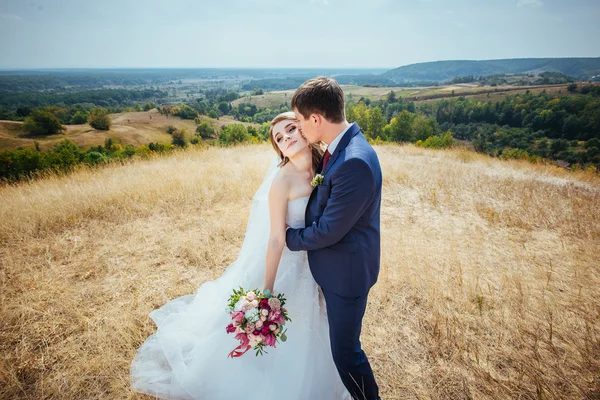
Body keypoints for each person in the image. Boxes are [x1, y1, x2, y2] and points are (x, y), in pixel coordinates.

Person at [130, 110, 351, 399]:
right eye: (280, 139)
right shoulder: (282, 181)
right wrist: (267, 290)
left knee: (317, 327)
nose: (287, 139)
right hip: (288, 264)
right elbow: (274, 238)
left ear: (306, 130)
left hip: (320, 264)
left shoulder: (325, 165)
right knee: (288, 324)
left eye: (291, 130)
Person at [286, 76, 382, 400]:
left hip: (347, 277)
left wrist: (290, 238)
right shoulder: (341, 147)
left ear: (316, 119)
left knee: (346, 354)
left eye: (299, 121)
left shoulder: (354, 161)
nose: (298, 129)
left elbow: (328, 230)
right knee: (339, 345)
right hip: (337, 270)